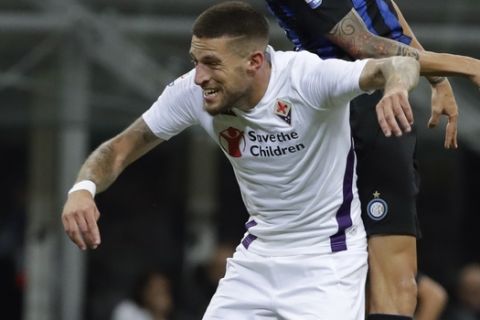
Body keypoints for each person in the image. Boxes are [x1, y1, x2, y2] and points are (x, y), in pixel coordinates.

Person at [62, 1, 427, 318]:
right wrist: (83, 188)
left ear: (254, 61)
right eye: (196, 61)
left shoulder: (306, 77)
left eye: (211, 63)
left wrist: (394, 86)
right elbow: (120, 147)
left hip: (326, 262)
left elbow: (396, 65)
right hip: (256, 258)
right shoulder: (193, 92)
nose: (200, 76)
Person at [264, 1, 480, 319]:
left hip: (378, 103)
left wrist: (438, 79)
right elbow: (364, 44)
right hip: (348, 108)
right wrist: (468, 66)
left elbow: (384, 9)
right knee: (360, 272)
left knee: (397, 277)